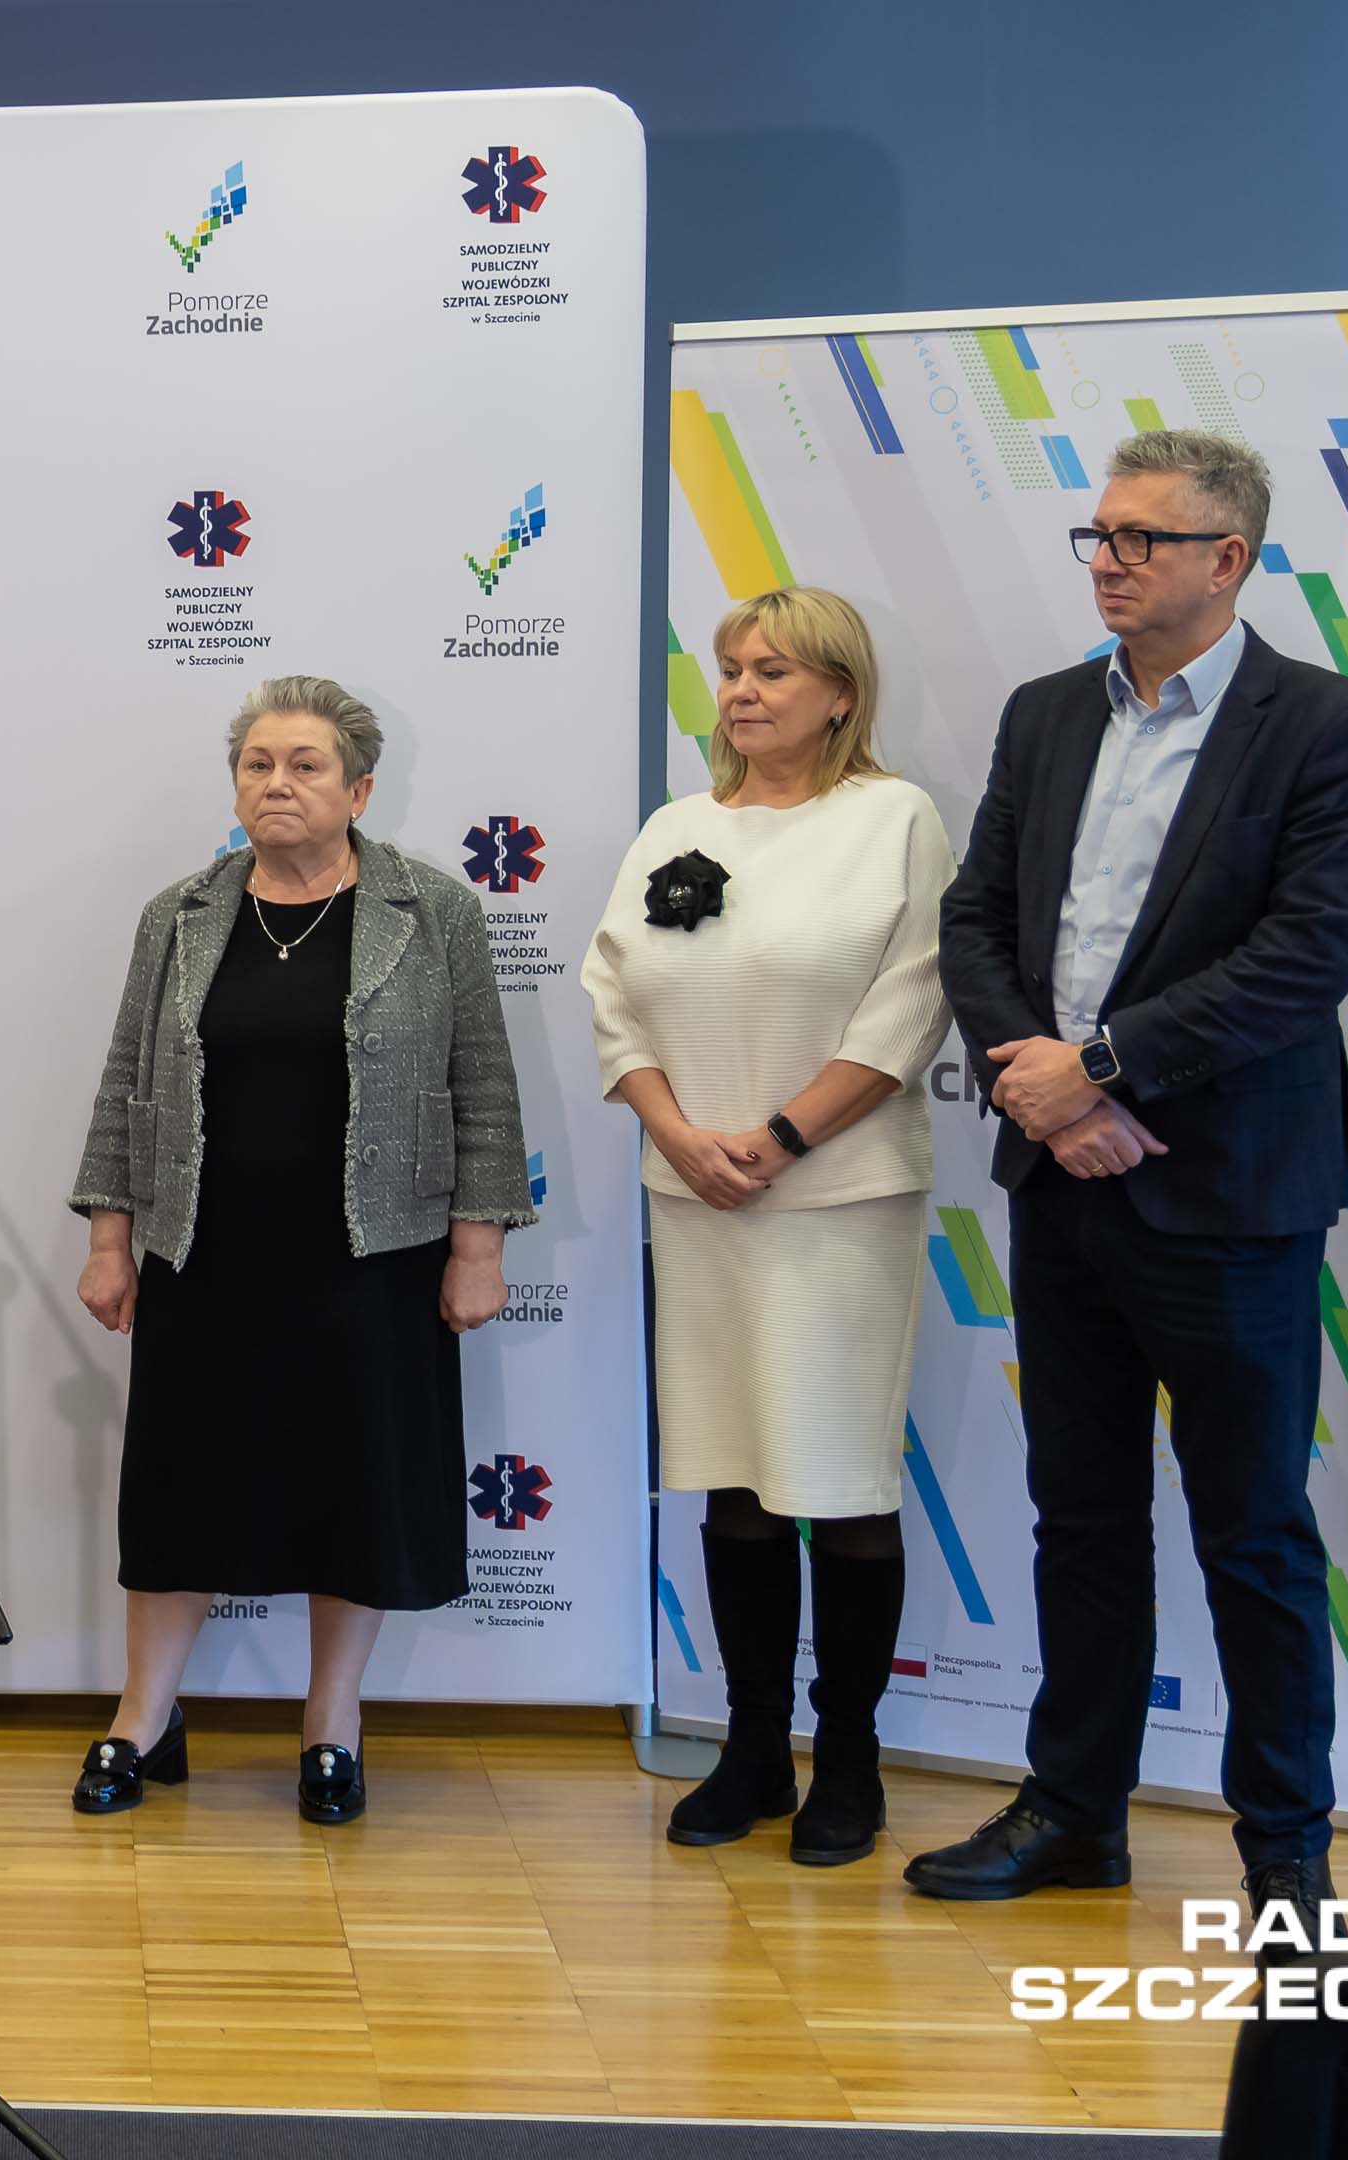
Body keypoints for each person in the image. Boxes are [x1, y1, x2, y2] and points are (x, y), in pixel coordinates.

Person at [918, 432, 1348, 1929]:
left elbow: (1303, 959)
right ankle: (1074, 1812)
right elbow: (977, 919)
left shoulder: (1328, 724)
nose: (1109, 562)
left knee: (1252, 1531)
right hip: (1062, 1179)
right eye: (1101, 535)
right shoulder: (1048, 711)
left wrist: (1103, 1069)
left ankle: (1286, 1853)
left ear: (1227, 559)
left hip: (1230, 1190)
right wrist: (1044, 1089)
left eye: (1141, 538)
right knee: (1079, 1515)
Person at [65, 676, 536, 1825]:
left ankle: (331, 1723)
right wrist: (111, 1236)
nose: (277, 783)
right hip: (201, 1253)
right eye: (258, 764)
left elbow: (483, 1082)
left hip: (372, 1255)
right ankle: (145, 1716)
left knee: (352, 1489)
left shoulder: (433, 910)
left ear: (360, 790)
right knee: (179, 1493)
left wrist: (477, 1248)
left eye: (305, 765)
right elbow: (127, 1082)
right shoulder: (181, 913)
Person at [582, 587, 954, 1868]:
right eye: (733, 667)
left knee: (838, 1481)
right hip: (698, 1196)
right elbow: (613, 995)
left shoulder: (894, 819)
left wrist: (784, 1136)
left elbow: (913, 1003)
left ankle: (848, 1761)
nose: (743, 690)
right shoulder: (677, 826)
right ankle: (753, 1750)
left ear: (841, 693)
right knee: (734, 1475)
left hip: (838, 1198)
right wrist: (680, 1136)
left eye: (775, 670)